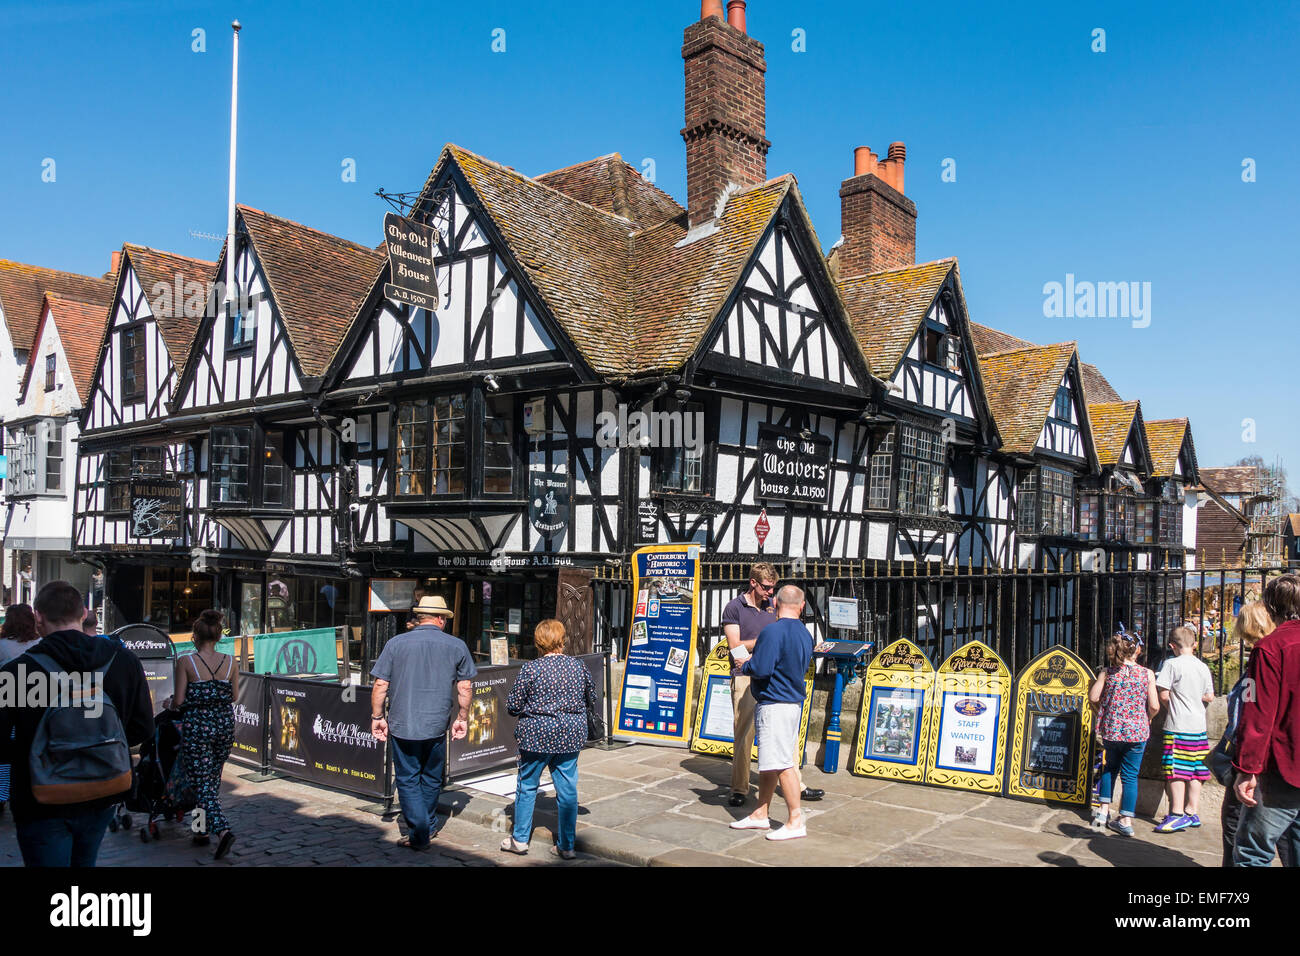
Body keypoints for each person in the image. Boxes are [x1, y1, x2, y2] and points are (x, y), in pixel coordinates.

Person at [0, 581, 152, 866]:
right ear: (83, 614)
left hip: (40, 798)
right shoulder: (123, 662)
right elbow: (142, 729)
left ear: (38, 617)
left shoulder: (17, 672)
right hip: (103, 789)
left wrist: (29, 751)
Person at [370, 594, 475, 850]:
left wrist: (377, 717)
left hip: (403, 723)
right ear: (440, 619)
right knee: (430, 777)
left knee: (407, 778)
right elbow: (465, 687)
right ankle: (425, 826)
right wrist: (462, 718)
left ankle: (419, 833)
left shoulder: (396, 644)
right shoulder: (456, 645)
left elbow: (381, 684)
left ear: (419, 618)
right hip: (437, 724)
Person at [720, 564, 822, 808]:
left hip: (774, 677)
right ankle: (739, 788)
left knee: (787, 736)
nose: (770, 592)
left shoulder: (772, 605)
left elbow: (784, 635)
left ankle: (797, 784)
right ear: (753, 583)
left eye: (773, 588)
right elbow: (735, 647)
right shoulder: (735, 608)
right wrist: (765, 641)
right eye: (766, 587)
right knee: (744, 733)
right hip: (745, 675)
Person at [500, 619, 597, 859]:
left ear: (539, 642)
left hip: (536, 734)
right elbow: (591, 697)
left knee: (528, 785)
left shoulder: (531, 669)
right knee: (567, 788)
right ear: (562, 640)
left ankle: (520, 840)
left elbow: (513, 705)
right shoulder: (579, 667)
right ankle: (566, 845)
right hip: (569, 734)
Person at [728, 585, 814, 841]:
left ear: (775, 603)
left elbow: (763, 668)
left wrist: (747, 664)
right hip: (791, 701)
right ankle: (760, 813)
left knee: (783, 764)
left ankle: (795, 820)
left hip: (774, 701)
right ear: (802, 606)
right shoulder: (805, 633)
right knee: (769, 764)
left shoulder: (772, 631)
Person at [1214, 602, 1293, 866]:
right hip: (1285, 765)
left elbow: (1250, 718)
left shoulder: (1266, 654)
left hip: (1261, 765)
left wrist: (1246, 768)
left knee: (1244, 841)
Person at [1232, 573, 1300, 867]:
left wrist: (1246, 770)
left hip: (1283, 768)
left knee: (1251, 852)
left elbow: (1258, 716)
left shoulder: (1270, 648)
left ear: (1271, 607)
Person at [171, 609, 239, 859]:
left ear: (195, 636)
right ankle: (200, 830)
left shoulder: (186, 662)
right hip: (224, 725)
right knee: (211, 779)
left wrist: (172, 704)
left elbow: (179, 700)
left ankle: (221, 830)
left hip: (198, 726)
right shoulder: (231, 662)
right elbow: (234, 696)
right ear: (219, 636)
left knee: (201, 783)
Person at [1089, 627, 1160, 836]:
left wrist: (1104, 706)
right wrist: (1148, 718)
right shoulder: (1147, 674)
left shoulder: (1107, 672)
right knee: (1130, 776)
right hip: (1137, 732)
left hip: (1112, 729)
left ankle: (1102, 812)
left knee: (1110, 767)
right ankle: (1126, 820)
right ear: (1137, 650)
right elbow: (1155, 706)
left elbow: (1093, 697)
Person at [1152, 625, 1215, 833]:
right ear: (1195, 645)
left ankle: (1177, 813)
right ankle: (1192, 811)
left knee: (1176, 770)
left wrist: (1174, 706)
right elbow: (1209, 696)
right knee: (1197, 770)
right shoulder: (1202, 667)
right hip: (1199, 727)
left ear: (1172, 646)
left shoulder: (1171, 664)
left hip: (1178, 726)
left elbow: (1163, 694)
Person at [0, 605, 41, 818]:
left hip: (9, 704)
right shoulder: (41, 643)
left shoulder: (2, 646)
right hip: (37, 705)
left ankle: (2, 794)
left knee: (6, 753)